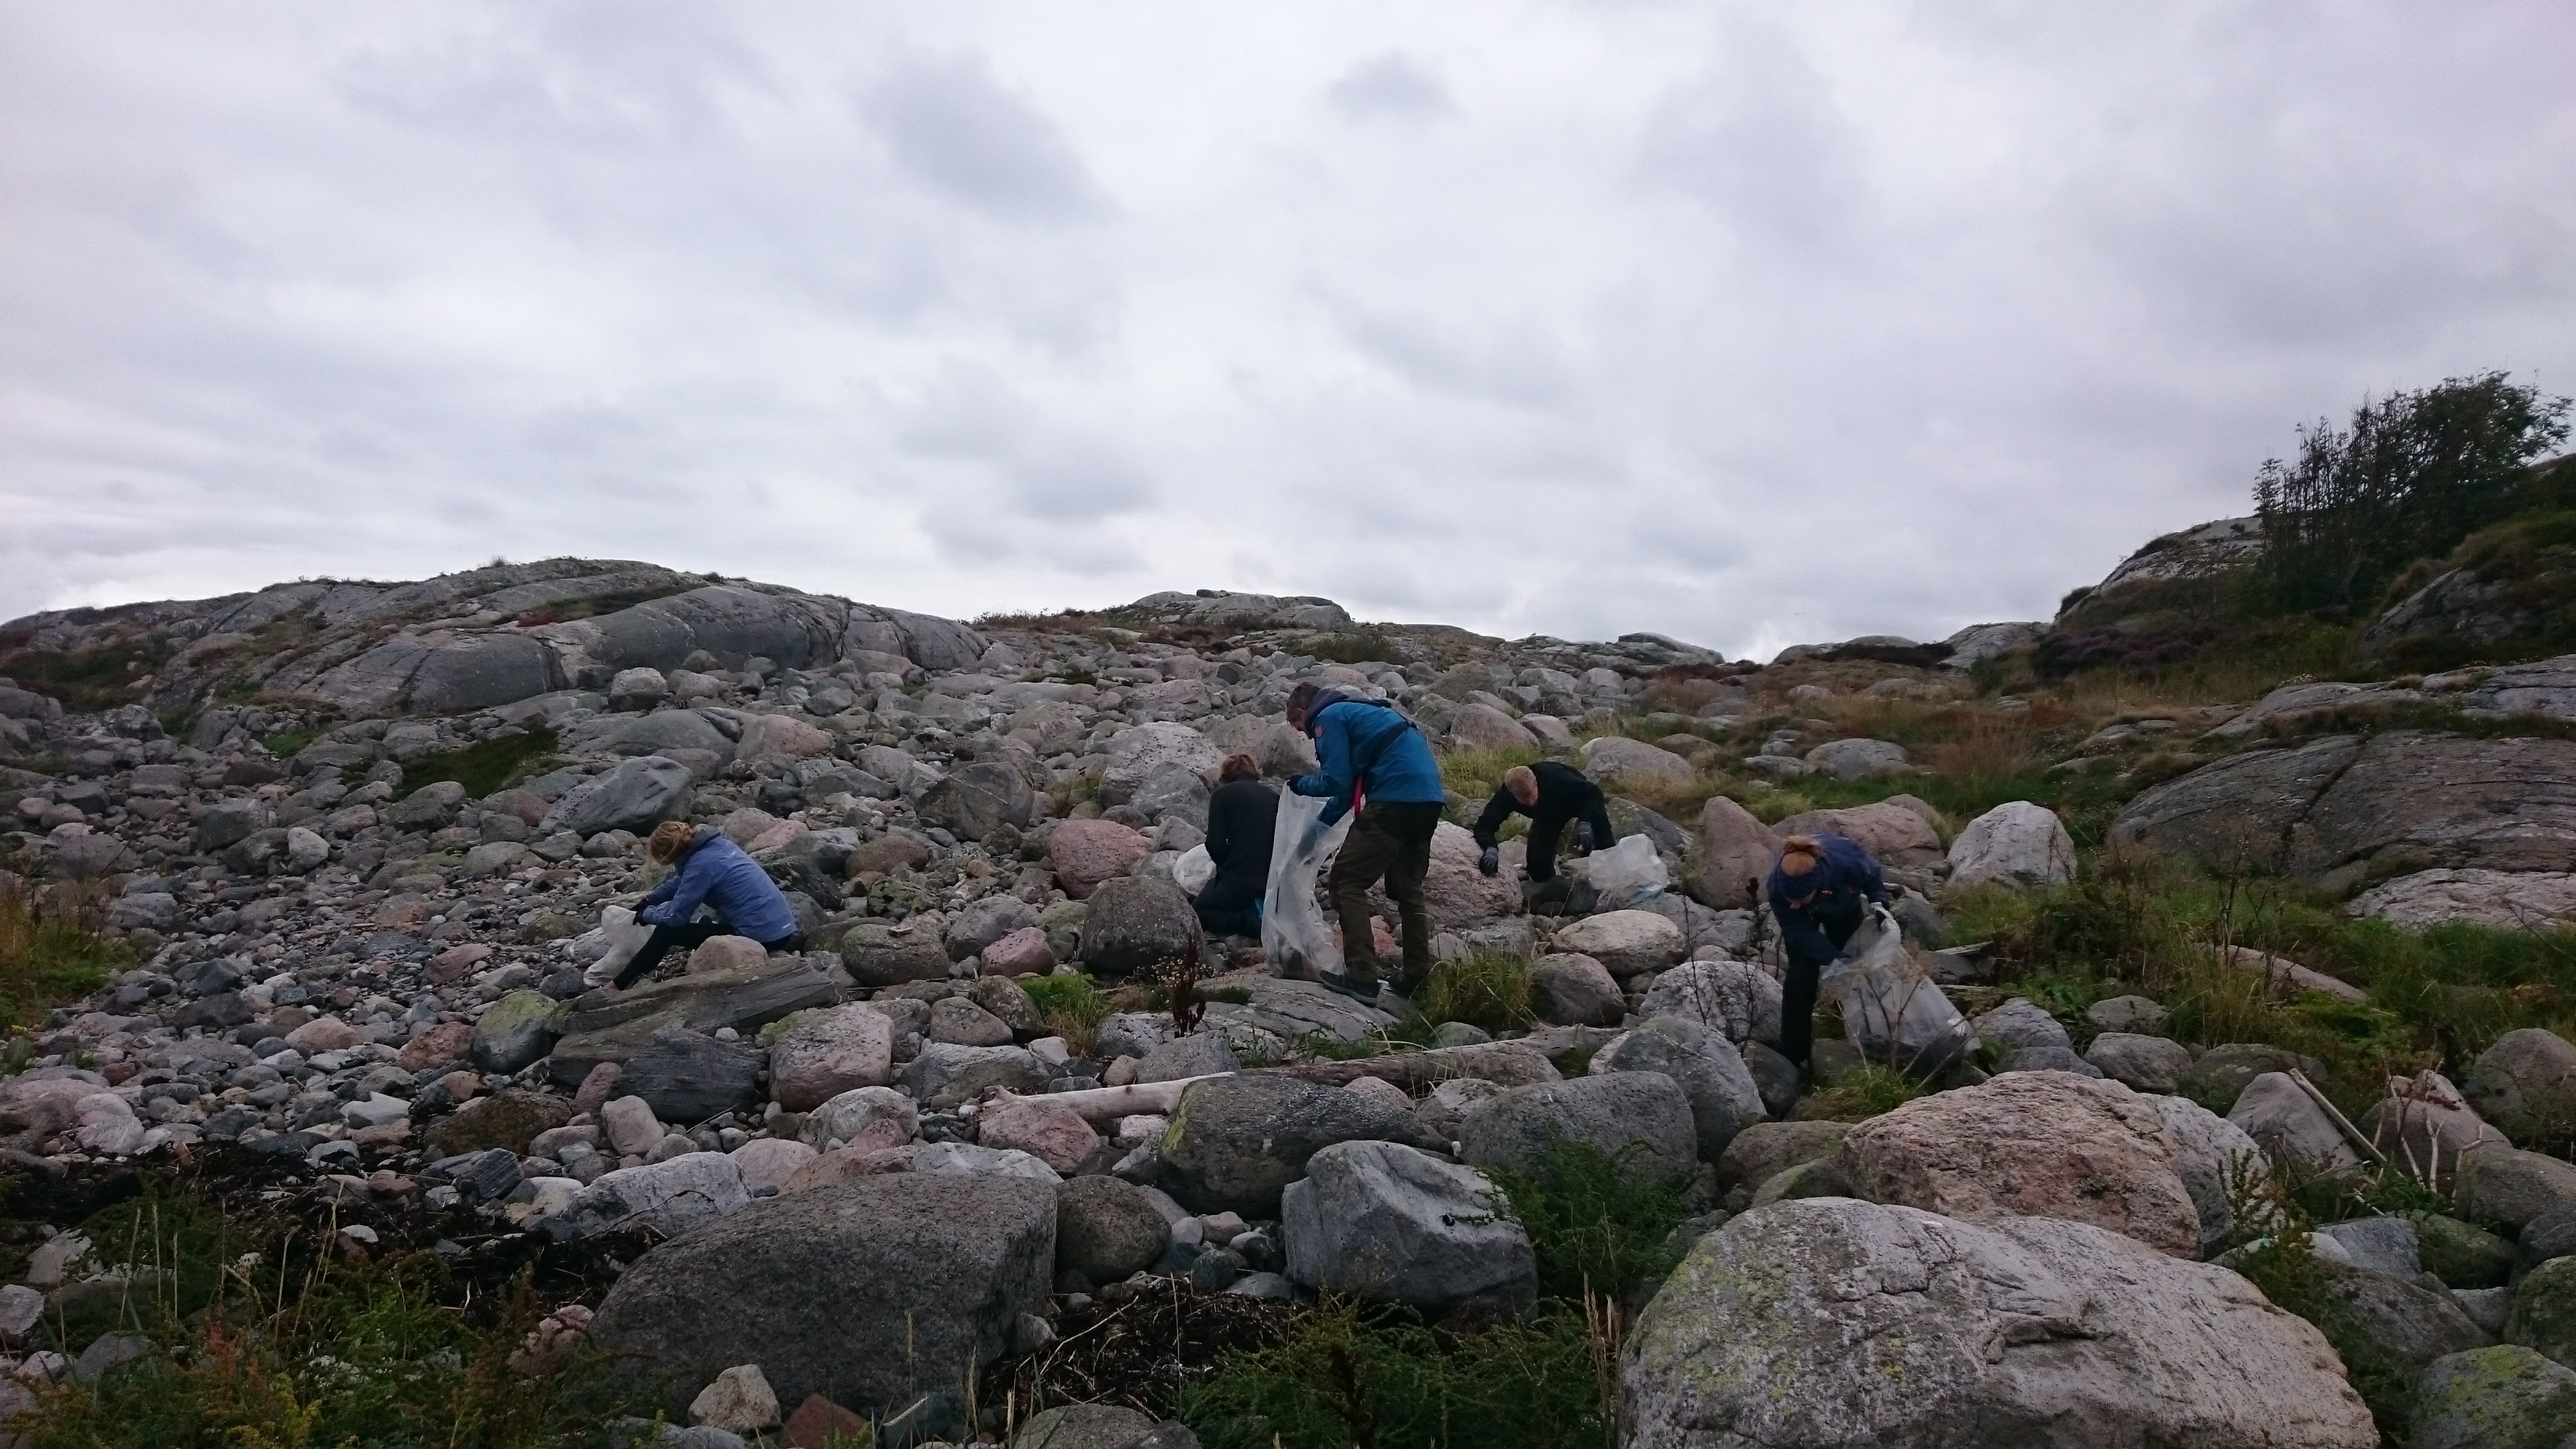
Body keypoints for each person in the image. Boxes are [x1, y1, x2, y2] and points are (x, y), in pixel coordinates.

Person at [1285, 681, 1446, 1002]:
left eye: (1298, 727)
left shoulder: (1327, 718)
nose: (1304, 734)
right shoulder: (1362, 713)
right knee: (1407, 888)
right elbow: (1347, 791)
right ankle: (1417, 976)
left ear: (1303, 712)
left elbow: (1335, 780)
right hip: (1428, 800)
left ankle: (1362, 978)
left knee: (1346, 882)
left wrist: (1298, 785)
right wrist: (1315, 834)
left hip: (1393, 802)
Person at [610, 820, 803, 989]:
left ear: (667, 856)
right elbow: (682, 881)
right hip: (782, 928)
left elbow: (675, 919)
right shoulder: (716, 845)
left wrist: (646, 915)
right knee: (702, 922)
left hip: (762, 937)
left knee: (665, 932)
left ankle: (618, 985)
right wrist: (650, 900)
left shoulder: (700, 865)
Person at [1764, 833, 1887, 1075]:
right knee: (1801, 978)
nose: (1794, 904)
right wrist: (1834, 959)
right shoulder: (1778, 888)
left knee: (1858, 968)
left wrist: (1879, 903)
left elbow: (1873, 876)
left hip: (1843, 906)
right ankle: (1794, 1052)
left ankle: (1868, 1035)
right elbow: (1800, 933)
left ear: (1817, 884)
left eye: (1800, 898)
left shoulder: (1846, 862)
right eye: (1791, 899)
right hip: (1802, 924)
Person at [1470, 762, 1619, 889]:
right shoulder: (1506, 795)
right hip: (1547, 816)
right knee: (1538, 870)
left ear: (1536, 782)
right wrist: (1490, 849)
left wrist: (1586, 822)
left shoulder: (1558, 778)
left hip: (1577, 801)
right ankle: (1554, 894)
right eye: (1523, 799)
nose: (1529, 802)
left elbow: (1593, 793)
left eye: (1530, 795)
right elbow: (1484, 825)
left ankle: (1616, 881)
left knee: (1605, 848)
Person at [1195, 753, 1278, 938]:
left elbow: (1214, 845)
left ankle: (1252, 923)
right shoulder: (1274, 797)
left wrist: (1226, 868)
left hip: (1241, 881)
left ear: (1226, 776)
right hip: (1271, 882)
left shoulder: (1223, 795)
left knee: (1197, 912)